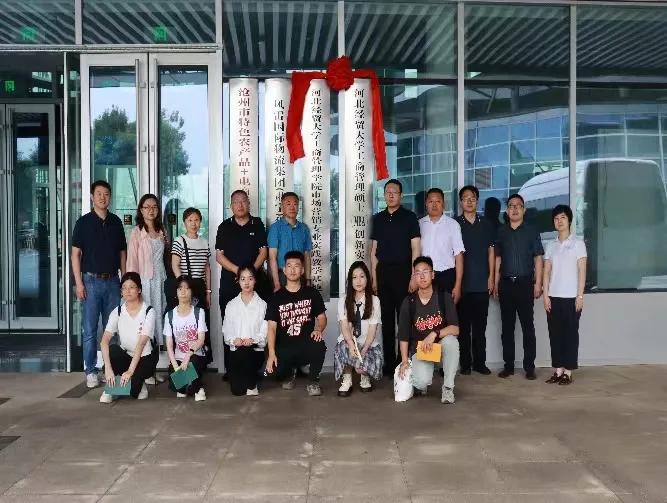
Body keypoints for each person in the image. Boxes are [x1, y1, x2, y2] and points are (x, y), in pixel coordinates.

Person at [72, 180, 127, 388]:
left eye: (106, 194)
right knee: (90, 329)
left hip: (113, 281)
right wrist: (79, 283)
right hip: (91, 281)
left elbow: (122, 253)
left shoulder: (116, 222)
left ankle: (109, 369)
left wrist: (124, 279)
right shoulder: (83, 223)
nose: (103, 197)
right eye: (99, 194)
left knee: (112, 328)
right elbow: (75, 255)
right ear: (91, 197)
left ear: (110, 197)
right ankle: (91, 370)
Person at [215, 190, 268, 380]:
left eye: (243, 201)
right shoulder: (224, 227)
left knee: (258, 320)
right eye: (236, 202)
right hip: (230, 282)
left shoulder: (257, 224)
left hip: (255, 281)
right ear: (231, 206)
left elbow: (263, 252)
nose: (240, 205)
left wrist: (250, 273)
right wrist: (239, 272)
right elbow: (219, 256)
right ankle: (231, 369)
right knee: (230, 322)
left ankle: (255, 367)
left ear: (248, 203)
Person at [370, 179, 421, 376]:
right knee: (387, 320)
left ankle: (403, 360)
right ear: (384, 195)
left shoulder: (410, 217)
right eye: (387, 192)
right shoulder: (378, 219)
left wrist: (414, 276)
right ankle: (389, 362)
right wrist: (374, 278)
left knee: (404, 319)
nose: (391, 195)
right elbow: (374, 251)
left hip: (404, 273)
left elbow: (415, 248)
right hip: (383, 273)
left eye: (394, 192)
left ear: (401, 195)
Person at [494, 193, 544, 380]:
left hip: (525, 284)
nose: (514, 209)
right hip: (506, 284)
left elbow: (538, 258)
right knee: (507, 328)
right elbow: (498, 259)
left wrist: (538, 283)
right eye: (511, 206)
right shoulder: (501, 232)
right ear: (507, 211)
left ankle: (529, 367)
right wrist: (496, 281)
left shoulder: (532, 231)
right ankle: (508, 366)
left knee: (527, 327)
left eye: (518, 206)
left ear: (524, 210)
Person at [397, 256, 459, 404]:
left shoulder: (444, 297)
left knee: (451, 341)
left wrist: (434, 334)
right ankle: (423, 376)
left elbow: (455, 329)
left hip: (440, 350)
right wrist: (404, 361)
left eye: (425, 271)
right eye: (417, 273)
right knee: (421, 383)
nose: (422, 276)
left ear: (432, 275)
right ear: (414, 277)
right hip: (422, 350)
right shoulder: (409, 302)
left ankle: (448, 388)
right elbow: (403, 335)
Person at [265, 251, 327, 396]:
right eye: (289, 266)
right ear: (284, 270)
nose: (293, 269)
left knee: (319, 345)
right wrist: (271, 353)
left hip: (305, 344)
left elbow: (322, 318)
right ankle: (288, 373)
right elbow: (271, 328)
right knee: (272, 373)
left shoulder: (312, 293)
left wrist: (319, 329)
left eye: (296, 266)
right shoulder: (276, 297)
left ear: (302, 270)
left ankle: (313, 381)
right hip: (284, 347)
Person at [126, 193, 168, 385]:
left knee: (158, 323)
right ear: (141, 210)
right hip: (145, 282)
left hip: (160, 281)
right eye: (147, 207)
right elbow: (131, 262)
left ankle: (152, 369)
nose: (151, 210)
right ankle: (144, 372)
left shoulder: (161, 230)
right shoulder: (136, 233)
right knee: (145, 326)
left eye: (154, 207)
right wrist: (133, 287)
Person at [543, 204, 587, 386]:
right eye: (556, 218)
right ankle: (558, 369)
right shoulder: (550, 245)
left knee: (570, 335)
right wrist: (546, 296)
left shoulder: (578, 244)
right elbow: (546, 272)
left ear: (569, 220)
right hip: (553, 297)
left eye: (562, 217)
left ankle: (568, 371)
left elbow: (582, 271)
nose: (559, 221)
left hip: (571, 298)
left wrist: (580, 296)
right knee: (555, 335)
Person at [455, 186, 495, 375]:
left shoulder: (486, 224)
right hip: (462, 285)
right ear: (460, 202)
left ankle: (480, 363)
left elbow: (491, 252)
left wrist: (491, 277)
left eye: (472, 198)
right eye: (465, 198)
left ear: (477, 201)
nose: (469, 201)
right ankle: (465, 364)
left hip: (481, 284)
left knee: (480, 328)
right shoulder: (455, 224)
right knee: (463, 328)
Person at [99, 272, 155, 403]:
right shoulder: (118, 311)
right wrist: (108, 369)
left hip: (144, 358)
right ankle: (111, 388)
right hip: (126, 355)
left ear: (139, 289)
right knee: (113, 350)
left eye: (131, 287)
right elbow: (104, 341)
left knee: (135, 392)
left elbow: (141, 344)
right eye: (124, 288)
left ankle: (138, 383)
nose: (127, 291)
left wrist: (130, 371)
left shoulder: (148, 311)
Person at [334, 261, 383, 397]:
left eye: (362, 276)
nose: (358, 281)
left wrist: (365, 349)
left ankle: (364, 376)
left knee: (364, 364)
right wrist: (351, 345)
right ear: (350, 281)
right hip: (350, 341)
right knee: (343, 346)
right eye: (354, 277)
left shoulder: (375, 301)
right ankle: (347, 378)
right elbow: (344, 326)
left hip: (368, 344)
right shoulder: (343, 300)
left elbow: (372, 330)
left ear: (367, 278)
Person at [222, 266, 268, 396]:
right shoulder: (231, 305)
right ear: (238, 280)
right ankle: (248, 379)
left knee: (246, 351)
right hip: (236, 352)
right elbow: (226, 330)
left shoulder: (263, 305)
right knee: (237, 391)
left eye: (250, 279)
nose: (246, 283)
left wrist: (253, 340)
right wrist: (233, 340)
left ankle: (252, 384)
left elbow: (265, 332)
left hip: (254, 352)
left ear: (255, 280)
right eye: (243, 279)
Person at [163, 276, 208, 401]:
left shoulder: (199, 312)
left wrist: (188, 355)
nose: (183, 292)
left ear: (192, 291)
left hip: (195, 355)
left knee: (193, 363)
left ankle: (198, 387)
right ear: (176, 292)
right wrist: (175, 366)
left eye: (187, 288)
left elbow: (201, 339)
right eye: (180, 288)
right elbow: (169, 344)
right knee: (177, 387)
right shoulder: (170, 315)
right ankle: (190, 384)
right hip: (178, 358)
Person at [419, 187, 464, 303]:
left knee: (446, 311)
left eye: (438, 201)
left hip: (446, 277)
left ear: (444, 204)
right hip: (424, 277)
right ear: (426, 204)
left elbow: (459, 257)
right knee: (425, 311)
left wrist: (457, 286)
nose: (434, 205)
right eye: (431, 201)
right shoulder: (419, 224)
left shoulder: (453, 225)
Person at [268, 192, 312, 291]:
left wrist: (308, 279)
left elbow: (307, 255)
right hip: (282, 276)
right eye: (288, 204)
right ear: (282, 207)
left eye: (295, 204)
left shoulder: (304, 229)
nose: (292, 207)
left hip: (300, 275)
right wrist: (277, 283)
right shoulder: (275, 228)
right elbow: (272, 257)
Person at [171, 207, 211, 308]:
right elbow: (175, 265)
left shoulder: (204, 242)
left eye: (196, 220)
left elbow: (206, 268)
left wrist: (208, 291)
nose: (193, 223)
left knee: (200, 315)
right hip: (185, 288)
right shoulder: (179, 241)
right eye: (190, 220)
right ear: (184, 223)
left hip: (200, 287)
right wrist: (183, 286)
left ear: (200, 221)